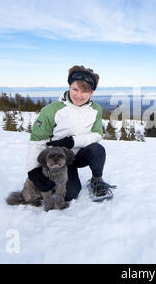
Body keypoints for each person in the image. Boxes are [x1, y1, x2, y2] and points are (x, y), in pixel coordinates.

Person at [26, 65, 113, 203]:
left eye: (85, 91)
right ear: (69, 87)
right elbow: (37, 140)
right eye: (75, 89)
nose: (78, 95)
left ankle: (97, 180)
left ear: (92, 92)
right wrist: (33, 171)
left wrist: (73, 141)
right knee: (70, 194)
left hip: (80, 155)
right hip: (60, 158)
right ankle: (54, 180)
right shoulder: (52, 110)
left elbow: (97, 134)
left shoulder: (95, 109)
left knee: (98, 150)